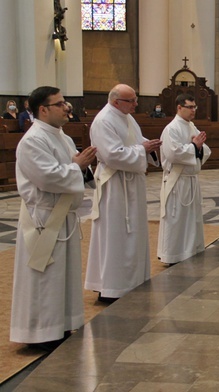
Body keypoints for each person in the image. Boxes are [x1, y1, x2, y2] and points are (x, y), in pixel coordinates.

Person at [10, 86, 97, 351]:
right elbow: (47, 177)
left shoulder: (62, 136)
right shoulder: (33, 140)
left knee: (64, 274)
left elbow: (72, 166)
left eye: (65, 103)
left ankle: (61, 324)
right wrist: (78, 166)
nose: (66, 107)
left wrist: (81, 166)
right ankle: (40, 332)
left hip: (63, 216)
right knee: (45, 276)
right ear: (43, 109)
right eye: (60, 104)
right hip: (44, 218)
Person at [84, 84, 161, 303]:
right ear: (116, 101)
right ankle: (110, 286)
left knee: (133, 233)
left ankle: (132, 281)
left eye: (135, 99)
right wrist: (142, 150)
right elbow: (112, 155)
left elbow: (135, 140)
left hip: (131, 183)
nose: (136, 104)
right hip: (115, 185)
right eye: (132, 100)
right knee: (114, 235)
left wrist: (149, 146)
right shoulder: (104, 121)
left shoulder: (127, 117)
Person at [157, 94, 211, 265]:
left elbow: (205, 149)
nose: (193, 110)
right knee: (176, 218)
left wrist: (198, 147)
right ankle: (172, 254)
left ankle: (189, 250)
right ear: (179, 107)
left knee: (191, 218)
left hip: (190, 179)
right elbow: (173, 153)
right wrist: (194, 146)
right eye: (190, 107)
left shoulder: (191, 126)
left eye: (195, 107)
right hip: (177, 180)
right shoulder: (171, 128)